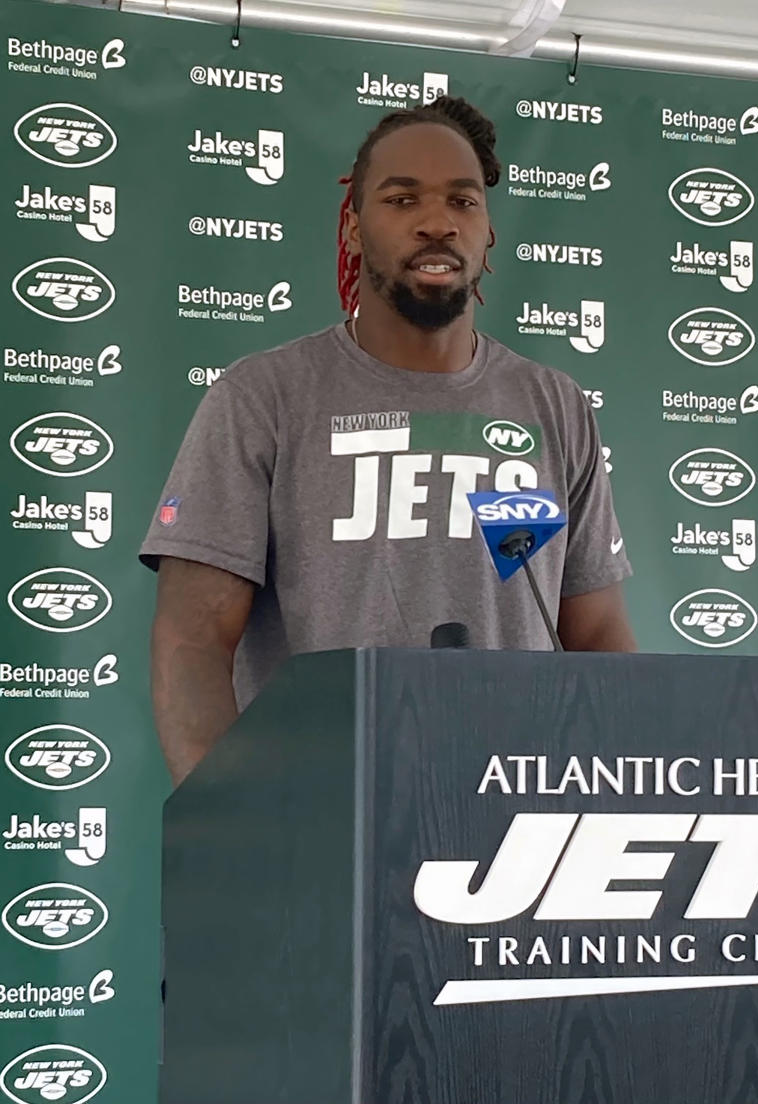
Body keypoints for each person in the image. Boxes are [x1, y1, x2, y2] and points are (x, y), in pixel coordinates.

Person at [141, 96, 636, 785]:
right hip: (325, 816)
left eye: (463, 203)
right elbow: (193, 642)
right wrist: (231, 824)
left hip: (519, 819)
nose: (437, 223)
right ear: (352, 228)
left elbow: (598, 635)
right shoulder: (263, 397)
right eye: (402, 200)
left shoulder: (554, 404)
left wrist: (616, 799)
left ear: (488, 233)